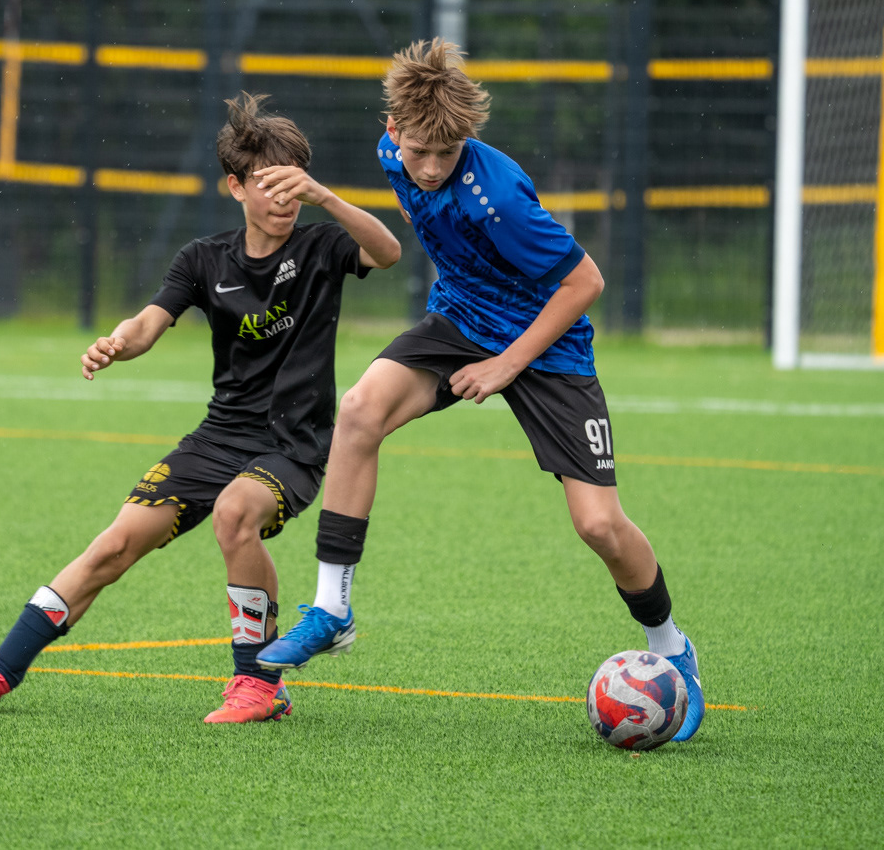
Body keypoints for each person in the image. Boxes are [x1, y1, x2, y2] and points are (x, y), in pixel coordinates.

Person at [257, 39, 704, 742]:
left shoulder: (498, 199)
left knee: (598, 525)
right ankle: (332, 607)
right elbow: (425, 220)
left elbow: (585, 281)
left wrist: (504, 365)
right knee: (360, 409)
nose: (432, 167)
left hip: (548, 346)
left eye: (448, 153)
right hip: (462, 319)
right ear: (395, 131)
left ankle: (672, 645)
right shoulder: (392, 154)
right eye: (420, 152)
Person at [0, 93, 402, 724]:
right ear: (235, 187)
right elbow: (148, 324)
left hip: (291, 445)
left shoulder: (322, 246)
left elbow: (387, 252)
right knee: (113, 546)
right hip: (217, 439)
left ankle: (257, 683)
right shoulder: (204, 259)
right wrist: (115, 344)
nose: (284, 199)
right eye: (269, 185)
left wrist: (327, 198)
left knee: (235, 513)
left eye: (293, 184)